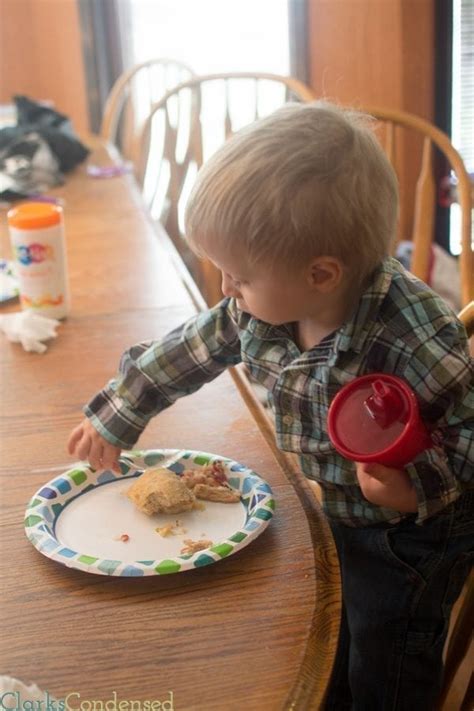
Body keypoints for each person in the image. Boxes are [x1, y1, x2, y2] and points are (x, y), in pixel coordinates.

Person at [67, 102, 473, 710]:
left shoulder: (416, 337)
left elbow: (466, 435)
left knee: (386, 656)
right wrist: (120, 410)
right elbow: (188, 349)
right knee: (327, 635)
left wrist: (416, 485)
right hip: (331, 503)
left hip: (408, 537)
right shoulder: (261, 305)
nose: (226, 290)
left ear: (321, 275)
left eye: (238, 277)